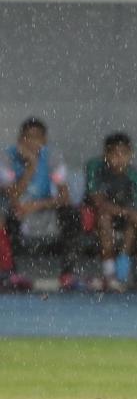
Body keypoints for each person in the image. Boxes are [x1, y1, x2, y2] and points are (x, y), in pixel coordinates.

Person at [0, 117, 80, 290]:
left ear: (44, 141)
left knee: (72, 214)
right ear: (20, 139)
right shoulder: (6, 157)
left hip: (44, 211)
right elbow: (12, 196)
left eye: (36, 137)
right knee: (10, 215)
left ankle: (68, 273)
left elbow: (64, 196)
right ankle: (13, 274)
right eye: (27, 137)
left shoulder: (53, 157)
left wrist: (38, 205)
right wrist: (31, 166)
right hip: (16, 211)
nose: (31, 142)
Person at [85, 132, 137, 292]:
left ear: (130, 155)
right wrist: (125, 212)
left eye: (123, 154)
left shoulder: (134, 176)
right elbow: (99, 203)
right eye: (114, 154)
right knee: (104, 217)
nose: (119, 159)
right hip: (94, 219)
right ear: (106, 154)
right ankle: (109, 272)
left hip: (124, 219)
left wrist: (124, 250)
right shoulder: (95, 168)